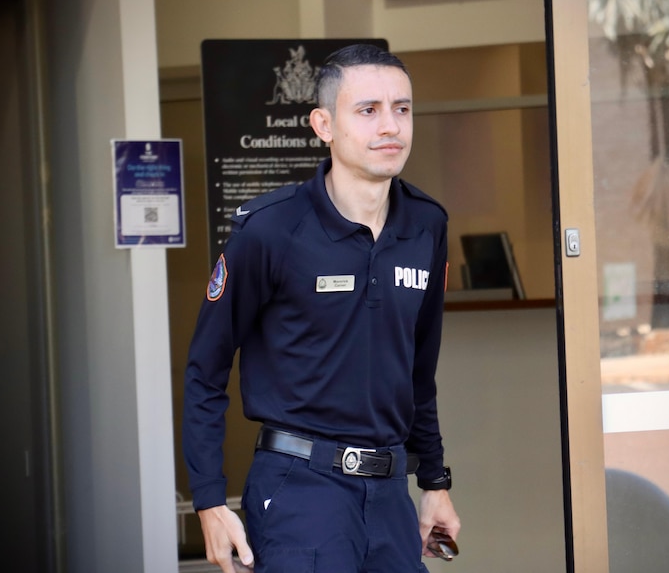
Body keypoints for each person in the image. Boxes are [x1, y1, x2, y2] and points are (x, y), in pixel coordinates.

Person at [183, 43, 461, 573]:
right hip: (298, 491)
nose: (391, 126)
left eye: (402, 109)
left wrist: (434, 482)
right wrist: (209, 500)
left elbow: (418, 372)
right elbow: (205, 371)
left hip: (389, 494)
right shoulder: (270, 230)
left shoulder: (428, 224)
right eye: (368, 110)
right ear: (323, 124)